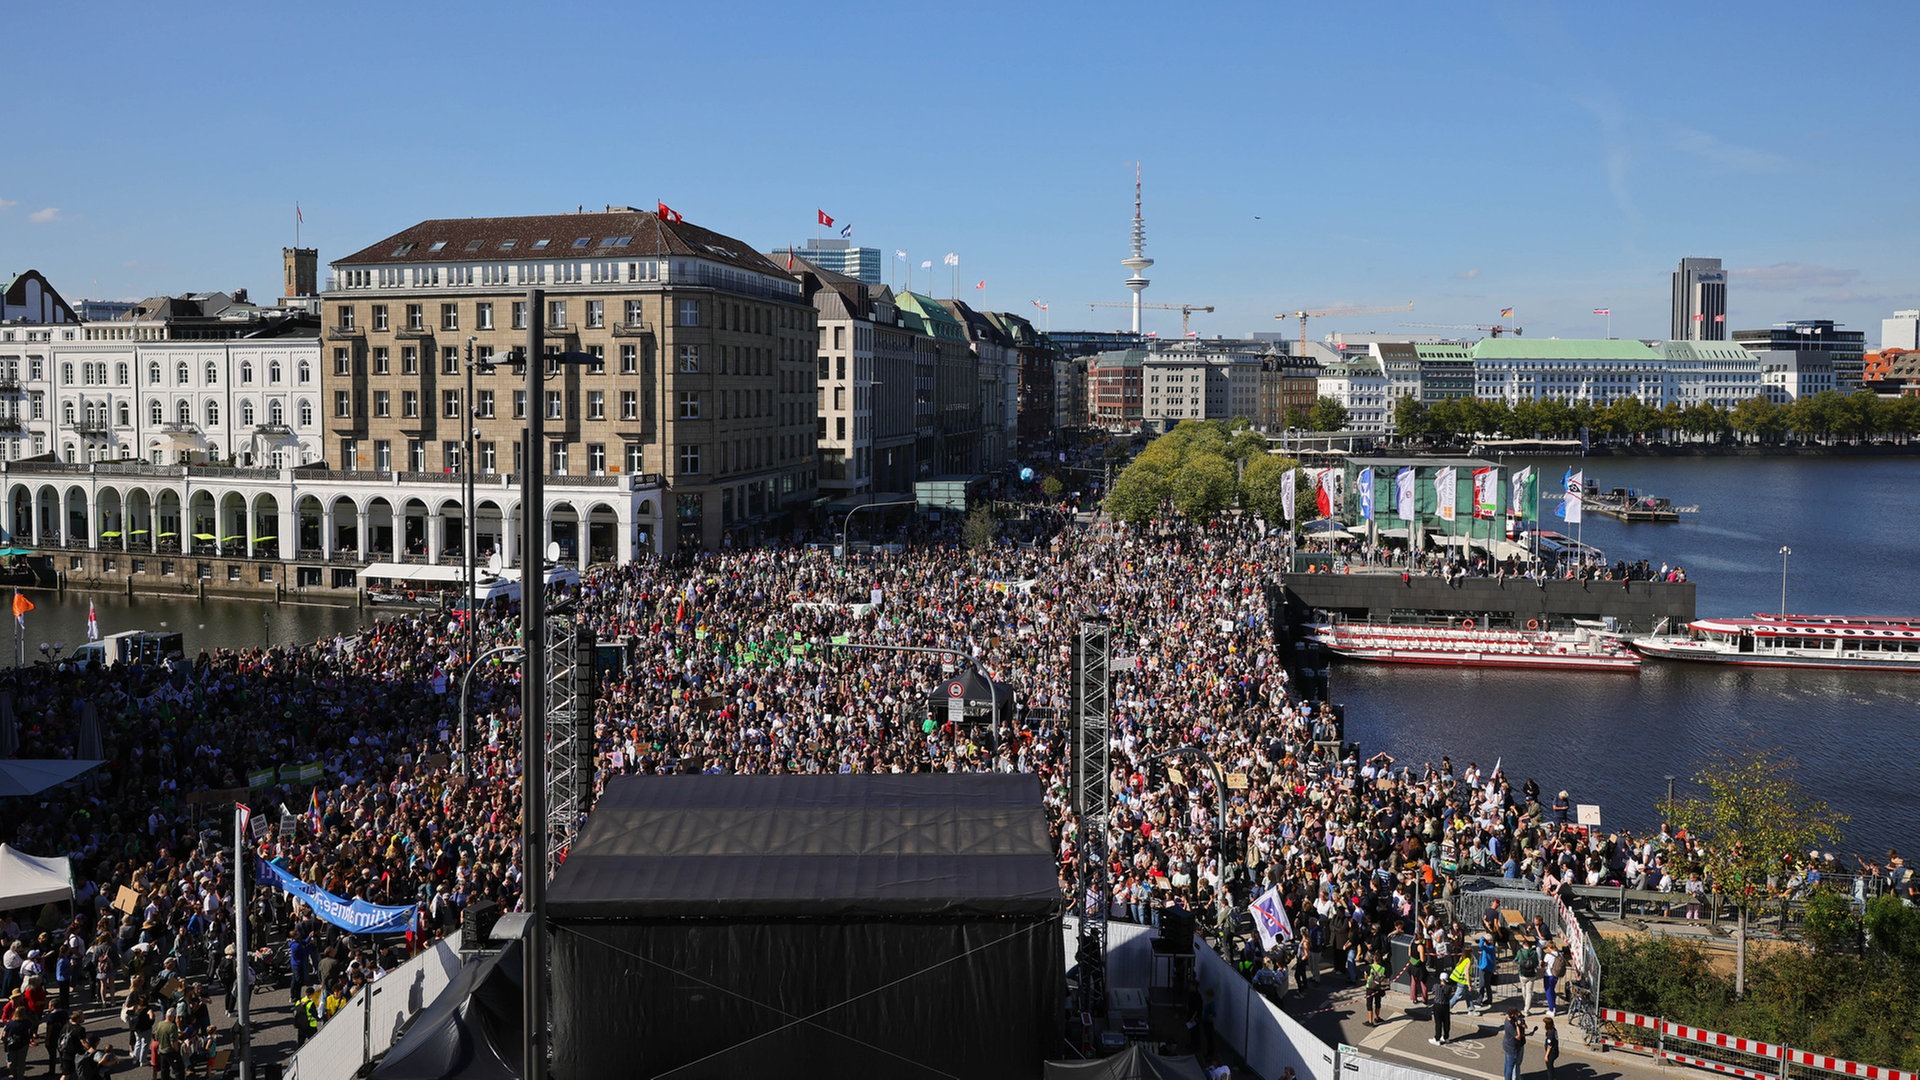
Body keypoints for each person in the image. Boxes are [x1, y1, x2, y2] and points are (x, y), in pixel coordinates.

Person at [151, 1005, 186, 1080]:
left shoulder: (160, 1024)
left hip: (162, 1051)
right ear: (173, 1016)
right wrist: (176, 1050)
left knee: (164, 1070)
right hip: (170, 1051)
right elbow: (173, 1041)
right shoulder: (172, 1026)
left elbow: (156, 1037)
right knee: (179, 1070)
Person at [1502, 1007, 1533, 1080]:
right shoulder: (1510, 1025)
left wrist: (1521, 1024)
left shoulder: (1509, 1019)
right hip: (1512, 1048)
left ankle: (1508, 1077)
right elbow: (1518, 1036)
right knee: (1510, 1066)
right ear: (1512, 1015)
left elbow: (1525, 1027)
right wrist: (1517, 1026)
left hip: (1509, 1045)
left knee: (1508, 1064)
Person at [1514, 935, 1540, 1014]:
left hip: (1522, 973)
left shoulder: (1520, 952)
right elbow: (1536, 963)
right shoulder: (1534, 953)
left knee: (1523, 987)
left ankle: (1525, 1001)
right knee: (1529, 992)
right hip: (1531, 974)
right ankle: (1526, 1009)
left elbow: (1516, 960)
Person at [1429, 963, 1454, 1045]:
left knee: (1438, 1023)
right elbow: (1451, 993)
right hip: (1446, 1006)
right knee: (1446, 1022)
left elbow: (1433, 992)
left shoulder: (1436, 986)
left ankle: (1437, 1038)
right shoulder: (1449, 988)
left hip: (1437, 1006)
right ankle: (1446, 1037)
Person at [1363, 950, 1389, 1026]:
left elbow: (1366, 977)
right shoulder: (1383, 969)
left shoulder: (1369, 967)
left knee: (1369, 1004)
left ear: (1373, 959)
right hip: (1378, 988)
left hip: (1370, 987)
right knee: (1378, 1003)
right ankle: (1377, 1017)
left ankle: (1370, 1021)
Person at [1541, 939, 1563, 1016]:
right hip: (1556, 975)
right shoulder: (1559, 954)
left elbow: (1544, 965)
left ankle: (1552, 1009)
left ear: (1549, 947)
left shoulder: (1548, 955)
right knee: (1552, 991)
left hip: (1549, 975)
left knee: (1548, 992)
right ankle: (1553, 1006)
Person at [1542, 1015, 1560, 1080]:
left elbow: (1549, 1045)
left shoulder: (1550, 1033)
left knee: (1549, 1067)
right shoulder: (1554, 1030)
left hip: (1552, 1052)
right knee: (1551, 1066)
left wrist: (1546, 1055)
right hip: (1555, 1050)